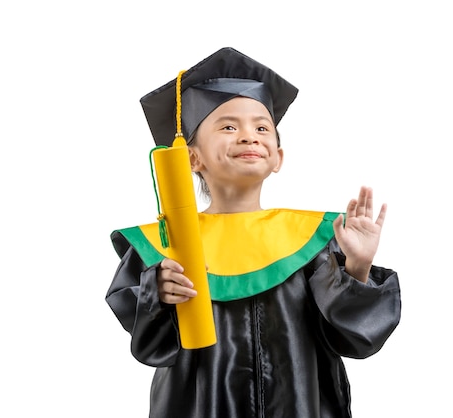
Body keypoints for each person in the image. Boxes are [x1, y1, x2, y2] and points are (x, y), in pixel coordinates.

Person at [106, 47, 401, 418]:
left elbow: (352, 339)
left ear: (278, 156)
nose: (249, 136)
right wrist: (158, 294)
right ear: (191, 158)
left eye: (262, 127)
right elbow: (150, 346)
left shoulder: (313, 240)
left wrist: (356, 268)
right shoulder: (163, 247)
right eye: (229, 126)